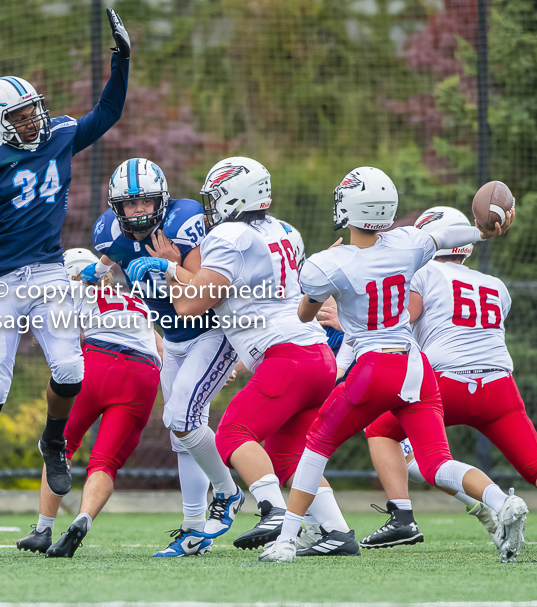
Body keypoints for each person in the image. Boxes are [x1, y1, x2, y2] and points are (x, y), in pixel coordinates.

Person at [258, 166, 527, 564]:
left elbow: (303, 314)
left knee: (315, 445)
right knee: (434, 461)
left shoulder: (330, 263)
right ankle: (497, 501)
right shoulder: (409, 244)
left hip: (374, 366)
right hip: (416, 369)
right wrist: (484, 230)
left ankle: (285, 539)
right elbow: (446, 235)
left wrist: (327, 273)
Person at [0, 8, 130, 539]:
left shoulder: (60, 134)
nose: (33, 120)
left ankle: (53, 441)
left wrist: (123, 61)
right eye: (21, 115)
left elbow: (107, 112)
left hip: (48, 269)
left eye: (33, 111)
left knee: (71, 370)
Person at [164, 157, 357, 556]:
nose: (211, 206)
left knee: (234, 432)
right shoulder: (286, 230)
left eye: (216, 197)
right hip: (317, 355)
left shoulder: (228, 236)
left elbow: (194, 304)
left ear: (235, 196)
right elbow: (247, 291)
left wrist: (170, 274)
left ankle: (272, 509)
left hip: (286, 355)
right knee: (289, 455)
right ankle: (337, 532)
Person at [362, 206, 535, 553]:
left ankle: (403, 517)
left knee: (381, 433)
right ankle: (490, 508)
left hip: (445, 384)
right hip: (499, 389)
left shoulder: (423, 273)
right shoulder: (496, 286)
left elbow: (400, 321)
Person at [93, 158, 242, 557]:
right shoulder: (109, 235)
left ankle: (229, 493)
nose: (138, 211)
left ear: (162, 200)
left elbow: (207, 290)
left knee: (180, 418)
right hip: (172, 338)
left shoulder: (185, 221)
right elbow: (108, 261)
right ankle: (194, 529)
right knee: (182, 436)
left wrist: (170, 266)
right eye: (130, 204)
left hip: (210, 332)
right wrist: (90, 272)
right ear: (116, 206)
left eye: (146, 202)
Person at [16, 248, 162, 558]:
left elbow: (64, 338)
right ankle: (83, 519)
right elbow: (161, 349)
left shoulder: (73, 289)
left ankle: (43, 529)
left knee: (59, 446)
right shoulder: (134, 299)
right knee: (105, 463)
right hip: (143, 376)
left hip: (98, 363)